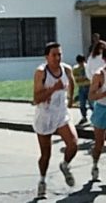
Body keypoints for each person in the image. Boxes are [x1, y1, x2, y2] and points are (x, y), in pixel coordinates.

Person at [33, 42, 77, 198]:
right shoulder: (41, 72)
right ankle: (42, 180)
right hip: (45, 116)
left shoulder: (66, 69)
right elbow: (36, 98)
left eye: (60, 54)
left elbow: (71, 82)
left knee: (73, 144)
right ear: (47, 57)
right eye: (54, 55)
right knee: (46, 155)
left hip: (61, 114)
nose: (57, 58)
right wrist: (53, 89)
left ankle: (65, 165)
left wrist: (71, 99)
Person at [88, 64, 106, 181]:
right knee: (99, 144)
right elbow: (91, 95)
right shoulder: (99, 74)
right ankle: (95, 165)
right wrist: (104, 94)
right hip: (102, 109)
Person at [73, 55, 93, 124]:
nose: (81, 64)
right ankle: (84, 117)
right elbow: (76, 78)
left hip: (89, 87)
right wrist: (83, 77)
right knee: (82, 104)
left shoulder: (88, 67)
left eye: (82, 62)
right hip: (81, 87)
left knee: (92, 103)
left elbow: (90, 77)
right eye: (79, 62)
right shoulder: (76, 69)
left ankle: (95, 117)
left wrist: (83, 78)